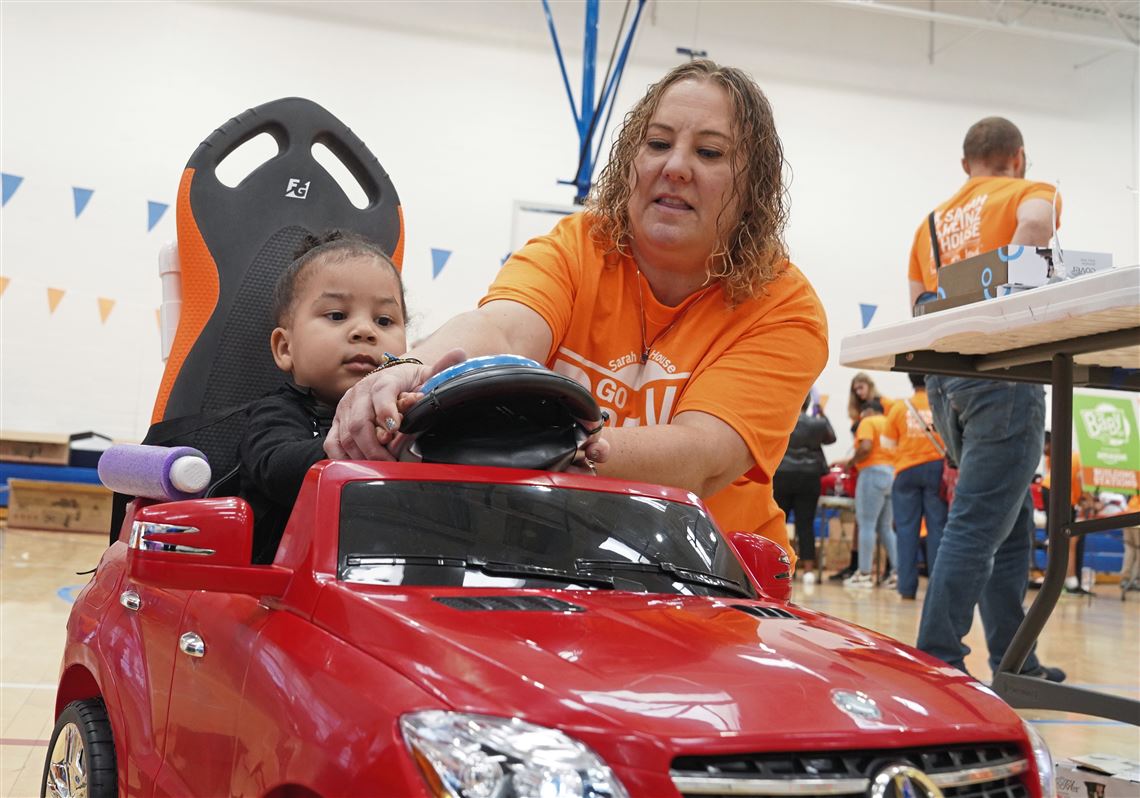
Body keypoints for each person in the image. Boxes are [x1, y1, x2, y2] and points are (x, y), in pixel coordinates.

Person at [325, 59, 829, 565]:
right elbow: (501, 327)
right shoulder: (578, 246)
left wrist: (549, 449)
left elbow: (701, 457)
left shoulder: (784, 305)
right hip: (556, 558)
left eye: (709, 152)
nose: (674, 166)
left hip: (711, 573)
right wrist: (411, 369)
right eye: (657, 144)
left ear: (753, 189)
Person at [908, 116, 1065, 681]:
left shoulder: (931, 224)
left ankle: (1014, 657)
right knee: (977, 525)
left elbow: (918, 306)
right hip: (1005, 377)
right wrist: (1007, 298)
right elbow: (1038, 224)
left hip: (947, 381)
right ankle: (938, 658)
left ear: (965, 165)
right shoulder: (1028, 191)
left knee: (1011, 521)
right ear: (1018, 157)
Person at [239, 230, 414, 563]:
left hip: (388, 578)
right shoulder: (277, 413)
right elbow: (277, 469)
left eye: (384, 320)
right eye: (337, 315)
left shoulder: (406, 414)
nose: (365, 331)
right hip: (287, 591)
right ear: (285, 347)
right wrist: (369, 439)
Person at [884, 373, 948, 600]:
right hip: (937, 469)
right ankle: (936, 588)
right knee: (937, 529)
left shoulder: (900, 407)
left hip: (906, 470)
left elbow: (887, 443)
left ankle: (907, 588)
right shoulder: (942, 402)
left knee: (906, 530)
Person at [773, 395, 836, 581]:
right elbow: (831, 438)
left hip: (783, 474)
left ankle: (778, 567)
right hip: (809, 478)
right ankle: (808, 570)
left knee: (778, 522)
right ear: (809, 404)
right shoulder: (817, 424)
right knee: (806, 524)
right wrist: (823, 415)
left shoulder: (782, 420)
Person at [839, 399, 897, 587]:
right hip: (891, 474)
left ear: (868, 411)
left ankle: (864, 574)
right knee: (886, 527)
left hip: (872, 473)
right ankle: (897, 573)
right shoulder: (888, 422)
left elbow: (865, 447)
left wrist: (852, 462)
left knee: (867, 524)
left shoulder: (868, 421)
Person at [1037, 430, 1090, 594]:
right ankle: (1066, 581)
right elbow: (1082, 488)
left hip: (1054, 492)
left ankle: (1061, 580)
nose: (1044, 451)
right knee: (1067, 540)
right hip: (1058, 493)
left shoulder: (1071, 458)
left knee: (1060, 539)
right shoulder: (1063, 457)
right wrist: (1086, 500)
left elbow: (1080, 487)